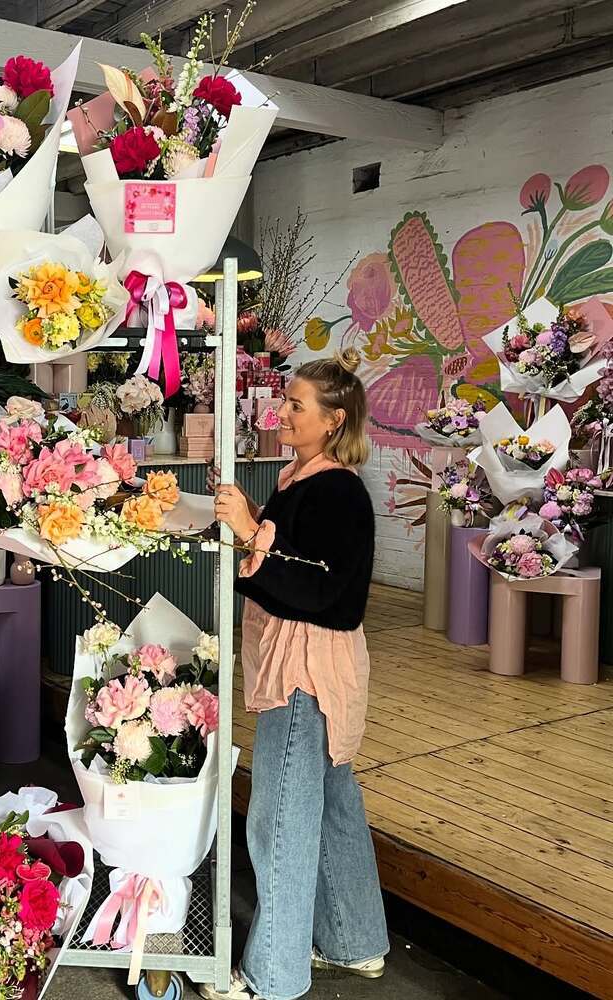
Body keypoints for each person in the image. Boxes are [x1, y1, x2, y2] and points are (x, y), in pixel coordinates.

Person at [201, 349, 389, 1000]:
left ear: (333, 421)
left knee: (279, 819)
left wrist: (252, 529)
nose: (281, 412)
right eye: (284, 400)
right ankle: (355, 941)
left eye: (295, 405)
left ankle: (273, 975)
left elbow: (320, 588)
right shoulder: (297, 479)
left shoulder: (338, 489)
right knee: (334, 806)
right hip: (306, 662)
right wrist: (248, 522)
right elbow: (288, 558)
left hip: (306, 671)